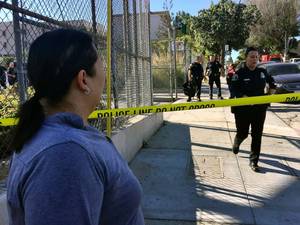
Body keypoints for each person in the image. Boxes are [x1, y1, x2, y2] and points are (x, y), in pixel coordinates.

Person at [7, 29, 144, 225]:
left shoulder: (56, 137)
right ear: (83, 79)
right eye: (102, 65)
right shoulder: (64, 154)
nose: (105, 74)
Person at [230, 47, 276, 172]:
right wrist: (243, 97)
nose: (254, 59)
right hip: (242, 109)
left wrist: (269, 94)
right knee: (243, 132)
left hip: (259, 109)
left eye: (256, 57)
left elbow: (272, 84)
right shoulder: (239, 73)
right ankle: (237, 140)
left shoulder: (262, 72)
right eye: (252, 56)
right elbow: (233, 89)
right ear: (246, 58)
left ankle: (254, 161)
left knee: (257, 135)